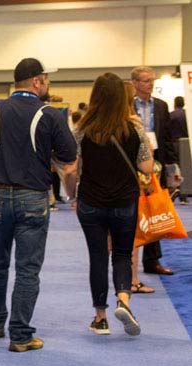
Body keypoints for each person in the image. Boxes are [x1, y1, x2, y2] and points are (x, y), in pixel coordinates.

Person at [0, 58, 77, 352]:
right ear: (37, 82)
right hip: (33, 197)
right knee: (28, 269)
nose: (48, 85)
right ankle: (21, 335)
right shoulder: (49, 114)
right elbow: (68, 157)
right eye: (46, 80)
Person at [70, 72, 151, 337]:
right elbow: (146, 167)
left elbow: (72, 168)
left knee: (97, 256)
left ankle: (100, 318)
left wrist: (72, 196)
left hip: (91, 202)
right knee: (122, 254)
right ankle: (124, 300)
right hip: (125, 200)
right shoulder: (135, 128)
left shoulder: (83, 129)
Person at [131, 66, 182, 276]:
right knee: (133, 212)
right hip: (133, 164)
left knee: (156, 211)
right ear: (134, 83)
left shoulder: (161, 106)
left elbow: (167, 140)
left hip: (156, 164)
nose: (150, 84)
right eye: (145, 80)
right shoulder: (126, 105)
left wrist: (173, 168)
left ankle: (152, 262)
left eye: (152, 80)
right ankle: (130, 264)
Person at [170, 96, 188, 204]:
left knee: (176, 170)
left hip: (174, 144)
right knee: (186, 169)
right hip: (187, 144)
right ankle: (184, 196)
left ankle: (175, 191)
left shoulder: (171, 115)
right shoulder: (187, 114)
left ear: (175, 103)